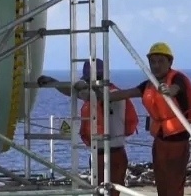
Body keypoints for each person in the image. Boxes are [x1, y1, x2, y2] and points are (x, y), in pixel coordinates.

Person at [106, 42, 191, 196]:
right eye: (153, 62)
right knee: (161, 181)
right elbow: (126, 93)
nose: (156, 66)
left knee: (174, 183)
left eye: (161, 61)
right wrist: (101, 94)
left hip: (178, 140)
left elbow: (174, 89)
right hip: (159, 140)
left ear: (170, 62)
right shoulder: (148, 84)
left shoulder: (178, 79)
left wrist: (167, 90)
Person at [38, 59, 138, 196]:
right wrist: (54, 82)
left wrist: (75, 86)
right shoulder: (98, 94)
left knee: (109, 192)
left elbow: (92, 95)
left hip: (113, 153)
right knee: (100, 192)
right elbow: (74, 92)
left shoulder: (113, 94)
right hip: (100, 153)